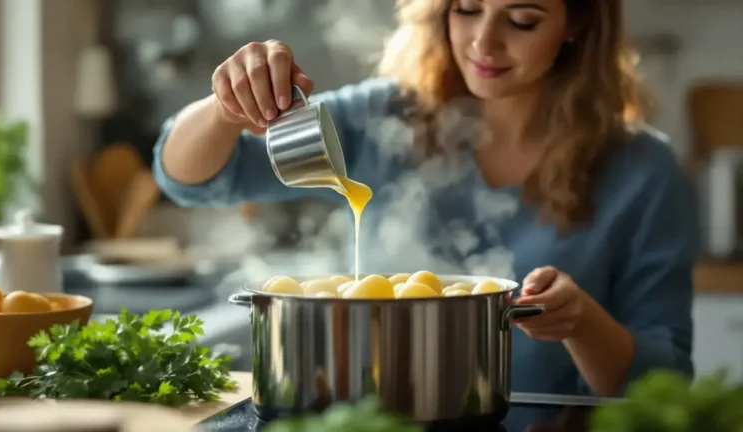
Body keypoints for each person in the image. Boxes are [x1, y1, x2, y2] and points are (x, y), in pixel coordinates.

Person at [153, 0, 698, 397]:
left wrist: (582, 323)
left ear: (575, 23)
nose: (484, 42)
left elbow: (664, 381)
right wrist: (225, 107)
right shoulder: (386, 117)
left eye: (521, 20)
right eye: (467, 9)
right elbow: (188, 180)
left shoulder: (642, 170)